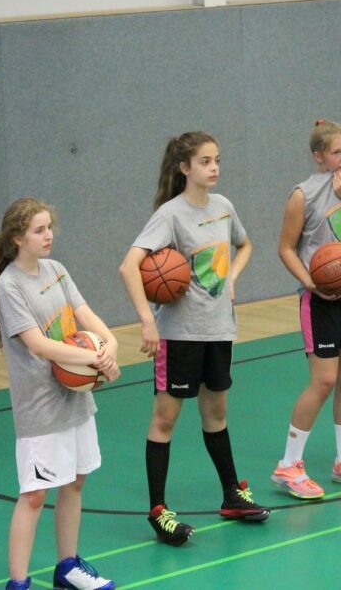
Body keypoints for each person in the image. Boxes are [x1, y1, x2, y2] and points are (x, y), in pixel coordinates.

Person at [118, 131, 269, 548]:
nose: (214, 167)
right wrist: (147, 321)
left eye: (217, 160)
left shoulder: (224, 207)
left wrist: (232, 277)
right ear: (185, 168)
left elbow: (245, 244)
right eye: (205, 161)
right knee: (165, 420)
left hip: (219, 329)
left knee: (216, 414)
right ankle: (158, 510)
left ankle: (232, 495)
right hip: (179, 335)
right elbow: (129, 267)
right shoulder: (170, 215)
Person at [0, 198, 121, 590]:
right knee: (34, 495)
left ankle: (67, 567)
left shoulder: (56, 270)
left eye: (49, 228)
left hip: (75, 397)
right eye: (39, 230)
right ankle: (18, 583)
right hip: (40, 406)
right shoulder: (9, 286)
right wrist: (93, 358)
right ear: (18, 238)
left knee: (75, 481)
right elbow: (39, 345)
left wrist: (110, 346)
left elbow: (85, 315)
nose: (48, 236)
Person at [271, 119, 341, 498]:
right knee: (324, 380)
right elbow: (286, 248)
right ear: (319, 156)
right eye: (336, 152)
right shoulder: (302, 195)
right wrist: (310, 282)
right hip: (321, 295)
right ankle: (288, 465)